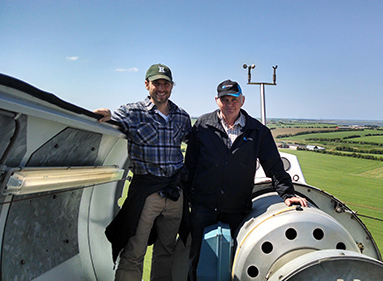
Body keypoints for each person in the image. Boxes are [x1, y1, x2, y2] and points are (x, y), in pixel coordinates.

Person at [184, 79, 308, 280]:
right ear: (217, 101)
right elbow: (190, 164)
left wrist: (287, 193)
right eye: (224, 99)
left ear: (242, 100)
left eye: (234, 99)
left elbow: (274, 165)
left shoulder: (257, 131)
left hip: (236, 208)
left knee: (236, 261)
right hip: (203, 206)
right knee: (197, 259)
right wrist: (186, 199)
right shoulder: (203, 126)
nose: (229, 103)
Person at [94, 63, 191, 281]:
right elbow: (114, 118)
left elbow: (195, 142)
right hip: (147, 192)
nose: (161, 88)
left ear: (172, 86)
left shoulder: (181, 116)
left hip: (175, 193)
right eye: (156, 83)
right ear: (147, 85)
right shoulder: (133, 112)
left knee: (166, 250)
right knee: (135, 250)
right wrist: (106, 114)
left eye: (165, 83)